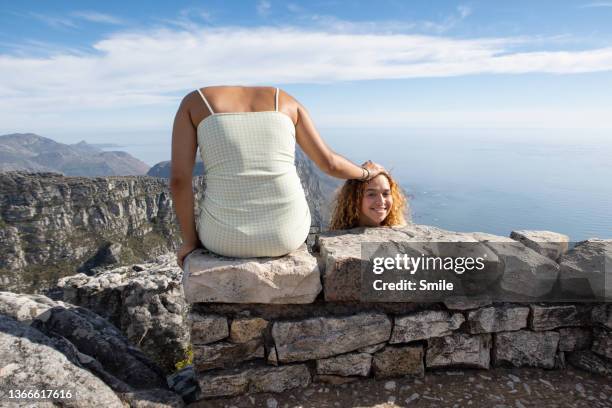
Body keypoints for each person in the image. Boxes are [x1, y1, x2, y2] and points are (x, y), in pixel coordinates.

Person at [170, 86, 386, 267]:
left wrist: (190, 241)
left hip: (221, 239)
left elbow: (180, 181)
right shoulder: (285, 101)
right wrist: (366, 172)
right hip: (286, 236)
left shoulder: (194, 103)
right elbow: (328, 163)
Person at [329, 170, 407, 230]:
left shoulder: (400, 232)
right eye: (371, 194)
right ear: (355, 198)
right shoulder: (341, 239)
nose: (381, 201)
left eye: (386, 194)